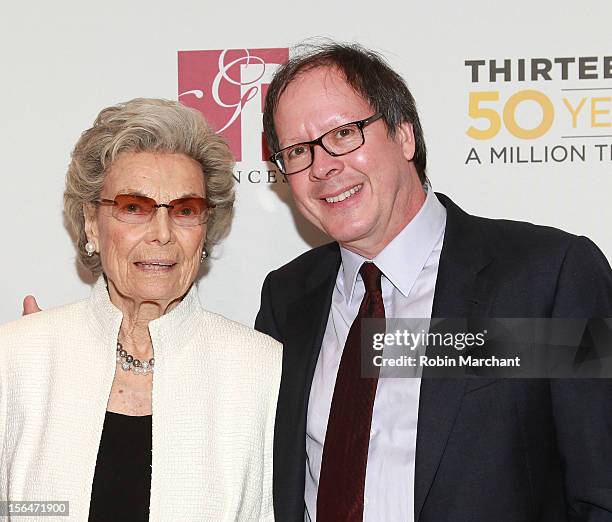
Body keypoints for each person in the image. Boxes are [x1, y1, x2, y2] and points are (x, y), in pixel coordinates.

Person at [255, 43, 612, 521]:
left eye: (343, 133)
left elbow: (601, 489)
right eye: (298, 151)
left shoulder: (547, 279)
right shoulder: (287, 299)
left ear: (405, 136)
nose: (322, 166)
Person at [0, 98, 281, 521]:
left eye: (186, 210)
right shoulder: (19, 357)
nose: (163, 234)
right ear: (92, 223)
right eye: (135, 207)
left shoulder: (262, 370)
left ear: (205, 232)